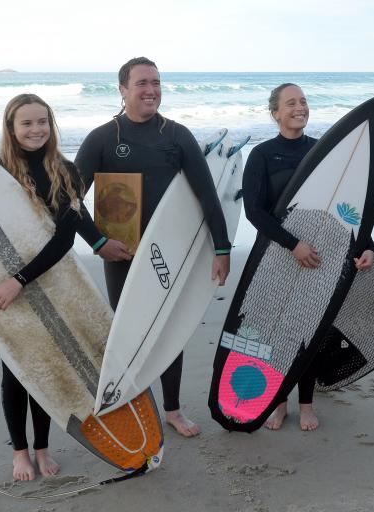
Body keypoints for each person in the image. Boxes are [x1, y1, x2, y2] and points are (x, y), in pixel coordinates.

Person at [75, 57, 231, 438]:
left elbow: (207, 194)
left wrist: (222, 248)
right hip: (122, 254)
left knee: (167, 329)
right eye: (142, 83)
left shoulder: (176, 135)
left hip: (168, 252)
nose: (151, 90)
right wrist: (97, 242)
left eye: (157, 83)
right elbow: (70, 199)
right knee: (127, 329)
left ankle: (173, 410)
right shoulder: (103, 138)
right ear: (123, 89)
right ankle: (134, 405)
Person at [0, 93, 84, 480]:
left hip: (49, 280)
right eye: (27, 123)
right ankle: (19, 452)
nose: (36, 129)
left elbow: (64, 240)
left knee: (45, 367)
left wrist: (19, 280)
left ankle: (42, 448)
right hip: (0, 286)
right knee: (16, 370)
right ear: (11, 128)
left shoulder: (68, 171)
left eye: (43, 121)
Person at [242, 83, 374, 431]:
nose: (299, 108)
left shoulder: (324, 153)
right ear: (275, 113)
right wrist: (292, 244)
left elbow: (350, 208)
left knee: (311, 329)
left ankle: (305, 403)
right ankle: (278, 400)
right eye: (290, 103)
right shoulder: (262, 155)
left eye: (303, 102)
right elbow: (254, 212)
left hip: (321, 258)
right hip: (276, 255)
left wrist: (367, 245)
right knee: (273, 329)